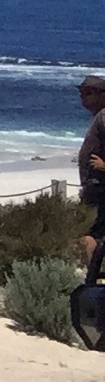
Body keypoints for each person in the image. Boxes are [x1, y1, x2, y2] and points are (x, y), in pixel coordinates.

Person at [82, 76, 105, 273]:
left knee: (90, 235)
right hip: (95, 189)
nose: (83, 98)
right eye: (81, 93)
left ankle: (93, 279)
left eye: (88, 93)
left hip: (101, 190)